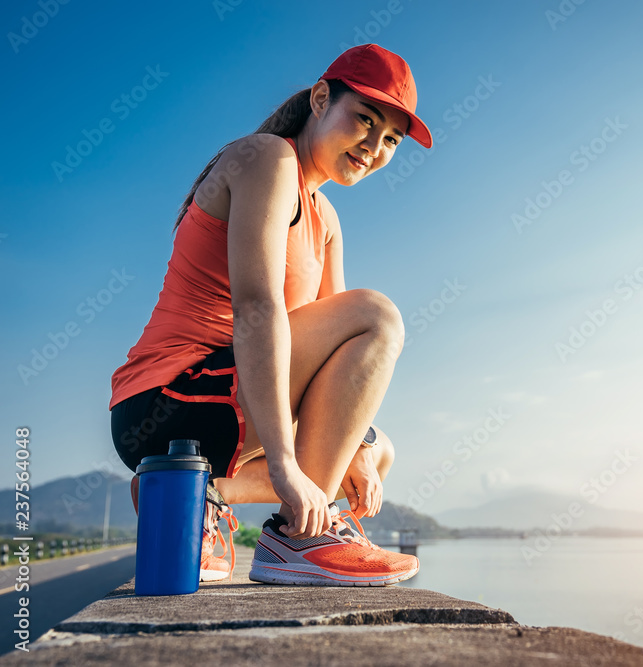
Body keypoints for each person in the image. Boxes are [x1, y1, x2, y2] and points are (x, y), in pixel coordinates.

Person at [109, 44, 432, 586]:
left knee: (376, 452)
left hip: (226, 408)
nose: (373, 147)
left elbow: (339, 365)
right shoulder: (267, 158)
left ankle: (201, 494)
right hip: (168, 399)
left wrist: (360, 444)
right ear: (322, 99)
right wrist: (284, 467)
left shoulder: (325, 218)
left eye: (390, 140)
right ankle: (301, 537)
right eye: (365, 121)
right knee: (377, 314)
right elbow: (258, 309)